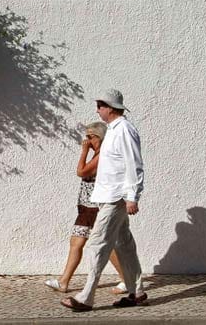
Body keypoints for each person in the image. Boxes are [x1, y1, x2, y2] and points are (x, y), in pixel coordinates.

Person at [61, 89, 146, 312]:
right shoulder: (113, 130)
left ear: (109, 107)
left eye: (99, 105)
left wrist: (132, 196)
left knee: (98, 243)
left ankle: (86, 296)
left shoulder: (124, 130)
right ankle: (136, 291)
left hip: (116, 198)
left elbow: (134, 164)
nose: (97, 110)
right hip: (108, 196)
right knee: (124, 244)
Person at [44, 122, 130, 293]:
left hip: (96, 207)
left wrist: (84, 151)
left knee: (107, 245)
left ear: (100, 138)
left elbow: (81, 172)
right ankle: (64, 281)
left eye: (91, 137)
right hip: (86, 207)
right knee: (76, 241)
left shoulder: (103, 155)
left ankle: (127, 279)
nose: (87, 141)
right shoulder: (97, 154)